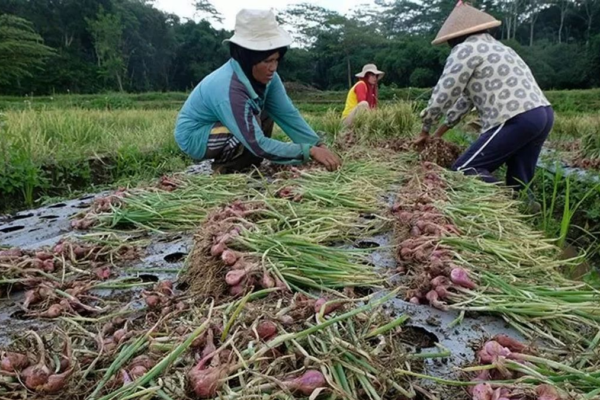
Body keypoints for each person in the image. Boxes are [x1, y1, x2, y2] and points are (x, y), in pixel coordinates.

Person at [174, 9, 342, 173]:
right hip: (197, 136)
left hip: (227, 124)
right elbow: (257, 143)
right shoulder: (229, 89)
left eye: (276, 60)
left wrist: (318, 145)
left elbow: (287, 114)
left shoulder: (270, 78)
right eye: (267, 61)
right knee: (249, 124)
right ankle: (226, 168)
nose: (273, 68)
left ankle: (248, 163)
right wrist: (309, 151)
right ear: (248, 58)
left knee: (263, 112)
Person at [415, 1, 553, 194]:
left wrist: (425, 128)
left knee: (464, 170)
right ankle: (523, 208)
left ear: (455, 37)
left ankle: (503, 199)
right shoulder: (502, 49)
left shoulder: (464, 50)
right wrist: (438, 134)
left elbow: (445, 93)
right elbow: (464, 101)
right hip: (542, 114)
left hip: (514, 116)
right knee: (519, 179)